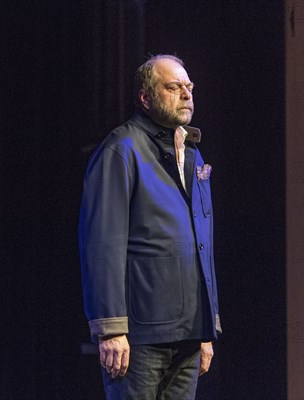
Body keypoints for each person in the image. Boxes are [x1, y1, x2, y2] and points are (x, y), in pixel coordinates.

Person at [79, 54, 221, 399]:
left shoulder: (191, 152)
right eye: (173, 87)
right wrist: (110, 328)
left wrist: (206, 325)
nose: (186, 94)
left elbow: (202, 242)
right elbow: (101, 243)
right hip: (141, 336)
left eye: (188, 87)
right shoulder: (122, 149)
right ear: (146, 97)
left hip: (188, 331)